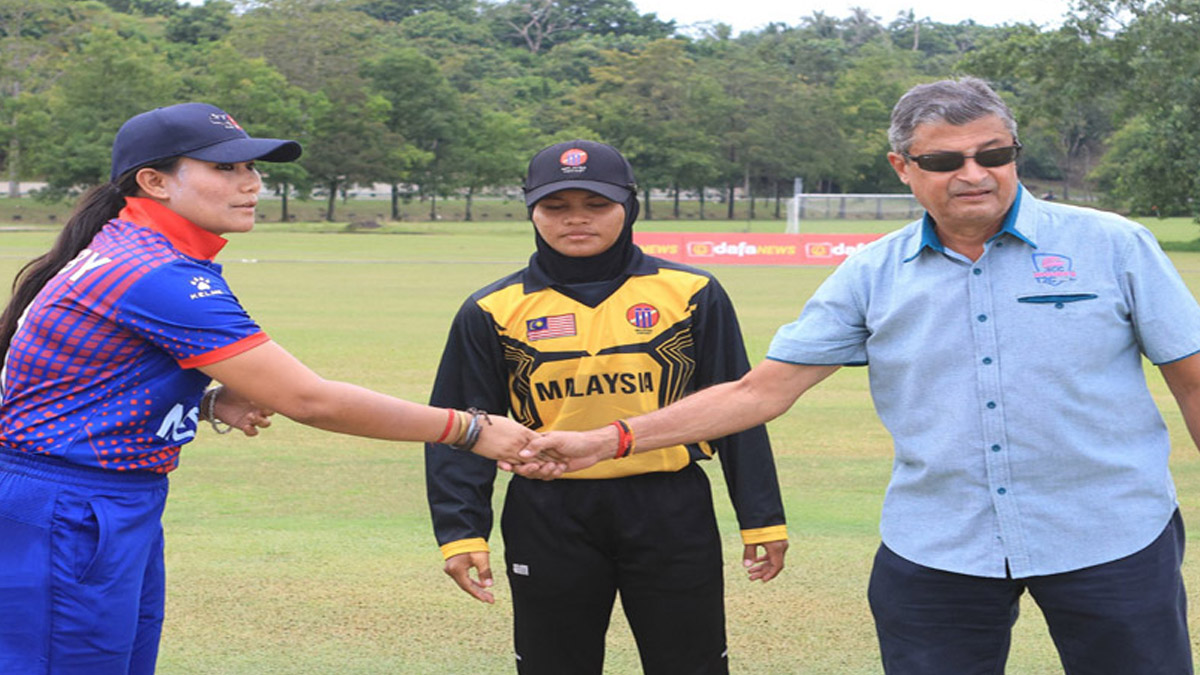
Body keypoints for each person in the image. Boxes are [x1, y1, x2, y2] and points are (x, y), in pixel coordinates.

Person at [527, 78, 1200, 674]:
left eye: (994, 153)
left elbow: (1193, 378)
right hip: (940, 543)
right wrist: (605, 439)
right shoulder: (872, 273)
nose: (975, 173)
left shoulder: (1113, 245)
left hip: (1110, 533)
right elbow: (761, 390)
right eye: (945, 160)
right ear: (903, 167)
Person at [0, 102, 535, 675]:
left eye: (252, 168)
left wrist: (204, 399)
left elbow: (80, 377)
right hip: (70, 505)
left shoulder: (136, 249)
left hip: (104, 501)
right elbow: (310, 399)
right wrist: (470, 429)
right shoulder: (155, 274)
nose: (250, 183)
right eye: (223, 169)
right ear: (154, 182)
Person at [425, 140, 789, 674]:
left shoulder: (691, 292)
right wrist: (461, 530)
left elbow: (737, 405)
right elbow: (462, 424)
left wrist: (762, 519)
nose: (576, 220)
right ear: (532, 210)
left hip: (670, 508)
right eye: (556, 207)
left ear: (629, 206)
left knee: (689, 664)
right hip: (548, 513)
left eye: (596, 205)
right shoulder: (491, 309)